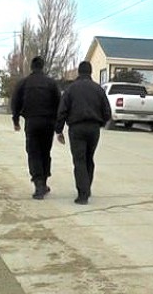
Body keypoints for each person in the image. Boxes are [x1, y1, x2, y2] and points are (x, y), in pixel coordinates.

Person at [54, 61, 111, 205]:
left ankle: (82, 194)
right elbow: (107, 112)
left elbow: (62, 111)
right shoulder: (98, 89)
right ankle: (87, 188)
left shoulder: (71, 89)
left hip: (76, 128)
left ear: (79, 72)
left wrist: (59, 130)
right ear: (91, 72)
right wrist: (101, 123)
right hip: (93, 129)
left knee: (79, 160)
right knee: (89, 158)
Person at [11, 56, 62, 199]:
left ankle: (39, 184)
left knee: (33, 153)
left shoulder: (24, 83)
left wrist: (16, 120)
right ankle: (43, 181)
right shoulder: (51, 83)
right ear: (43, 66)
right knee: (45, 152)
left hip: (32, 122)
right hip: (48, 123)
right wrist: (58, 125)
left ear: (31, 67)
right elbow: (59, 103)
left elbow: (15, 102)